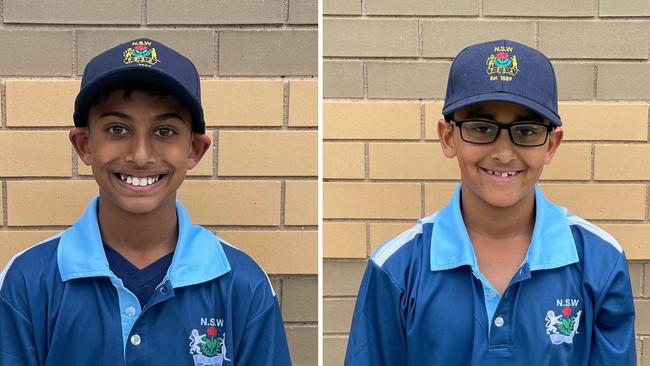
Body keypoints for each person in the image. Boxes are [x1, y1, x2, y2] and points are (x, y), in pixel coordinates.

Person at [0, 38, 292, 365]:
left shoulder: (242, 284)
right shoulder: (28, 281)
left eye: (164, 131)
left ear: (194, 150)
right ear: (84, 144)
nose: (140, 155)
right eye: (117, 129)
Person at [344, 39, 635, 365]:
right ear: (447, 136)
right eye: (481, 128)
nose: (503, 152)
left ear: (551, 144)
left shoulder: (600, 261)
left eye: (525, 131)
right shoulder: (397, 269)